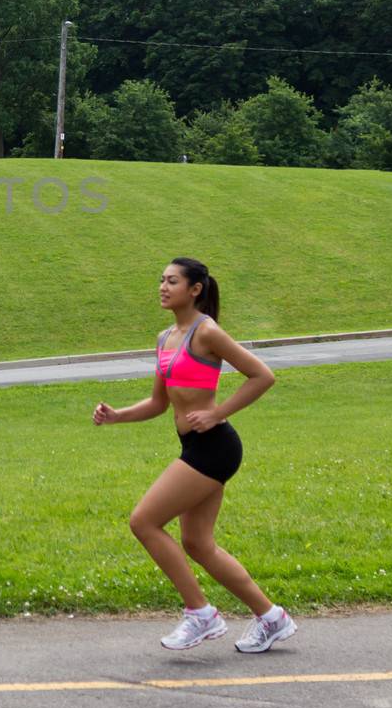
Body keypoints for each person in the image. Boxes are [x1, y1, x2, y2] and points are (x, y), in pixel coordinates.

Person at [92, 256, 296, 653]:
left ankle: (200, 613)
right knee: (199, 545)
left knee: (144, 521)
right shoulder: (164, 337)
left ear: (195, 289)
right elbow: (157, 404)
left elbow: (263, 376)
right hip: (195, 447)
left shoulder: (207, 333)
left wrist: (218, 412)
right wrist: (117, 416)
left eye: (172, 281)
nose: (163, 287)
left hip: (215, 447)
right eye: (161, 281)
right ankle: (272, 618)